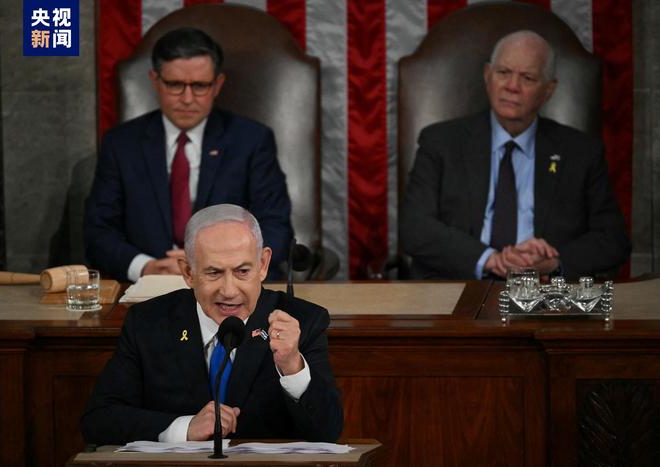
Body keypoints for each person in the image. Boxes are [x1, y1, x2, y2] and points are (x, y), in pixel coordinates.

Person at [81, 204, 343, 445]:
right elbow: (99, 420)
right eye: (214, 272)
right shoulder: (148, 323)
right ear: (188, 272)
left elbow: (327, 433)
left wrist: (293, 367)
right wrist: (184, 429)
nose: (229, 291)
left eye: (242, 271)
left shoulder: (303, 321)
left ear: (263, 265)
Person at [400, 30, 630, 281]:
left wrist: (554, 263)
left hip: (544, 295)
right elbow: (414, 227)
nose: (512, 86)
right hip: (458, 286)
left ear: (549, 90)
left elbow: (613, 239)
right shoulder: (441, 142)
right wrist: (489, 259)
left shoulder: (580, 152)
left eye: (528, 78)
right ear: (488, 76)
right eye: (504, 73)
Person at [84, 27, 292, 282]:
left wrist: (216, 266)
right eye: (174, 85)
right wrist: (146, 267)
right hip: (149, 287)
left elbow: (276, 227)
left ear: (218, 85)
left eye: (200, 86)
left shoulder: (252, 141)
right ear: (154, 80)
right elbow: (98, 231)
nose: (187, 98)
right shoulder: (122, 144)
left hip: (231, 284)